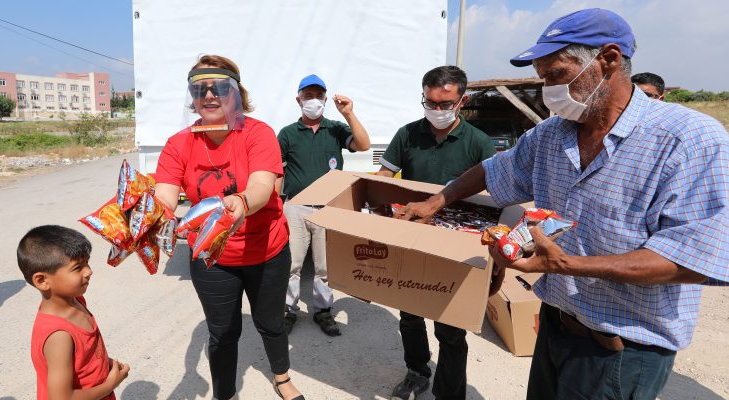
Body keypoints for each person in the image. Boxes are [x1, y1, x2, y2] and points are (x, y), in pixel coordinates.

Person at [399, 8, 729, 400]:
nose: (549, 91)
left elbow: (695, 258)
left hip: (621, 350)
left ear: (607, 60)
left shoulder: (687, 140)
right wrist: (438, 200)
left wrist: (564, 265)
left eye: (556, 75)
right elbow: (493, 168)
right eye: (543, 79)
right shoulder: (552, 135)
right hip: (556, 325)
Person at [153, 55, 304, 400]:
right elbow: (165, 193)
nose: (209, 95)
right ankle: (225, 393)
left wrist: (243, 203)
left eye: (220, 87)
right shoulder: (179, 144)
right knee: (223, 331)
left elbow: (264, 186)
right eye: (199, 89)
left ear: (237, 94)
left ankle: (281, 377)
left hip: (265, 249)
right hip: (212, 257)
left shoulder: (257, 133)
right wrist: (150, 212)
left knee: (270, 323)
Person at [376, 65, 496, 400]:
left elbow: (494, 194)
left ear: (463, 101)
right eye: (430, 103)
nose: (437, 111)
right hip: (412, 238)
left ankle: (449, 391)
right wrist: (374, 202)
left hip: (456, 246)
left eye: (446, 104)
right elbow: (383, 177)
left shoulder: (479, 143)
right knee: (410, 314)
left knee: (451, 326)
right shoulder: (408, 134)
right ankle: (416, 371)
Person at [277, 74, 371, 336]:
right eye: (308, 95)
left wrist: (349, 114)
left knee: (325, 266)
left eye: (318, 96)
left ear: (325, 99)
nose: (313, 100)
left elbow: (363, 145)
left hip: (329, 208)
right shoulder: (287, 134)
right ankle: (287, 310)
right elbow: (276, 172)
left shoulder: (336, 129)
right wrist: (276, 206)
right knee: (291, 264)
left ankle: (323, 310)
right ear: (299, 100)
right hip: (295, 207)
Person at [17, 225, 130, 400]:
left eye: (87, 263)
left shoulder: (76, 301)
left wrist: (105, 364)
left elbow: (84, 355)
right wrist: (110, 385)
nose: (89, 271)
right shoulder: (59, 335)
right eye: (78, 268)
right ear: (42, 280)